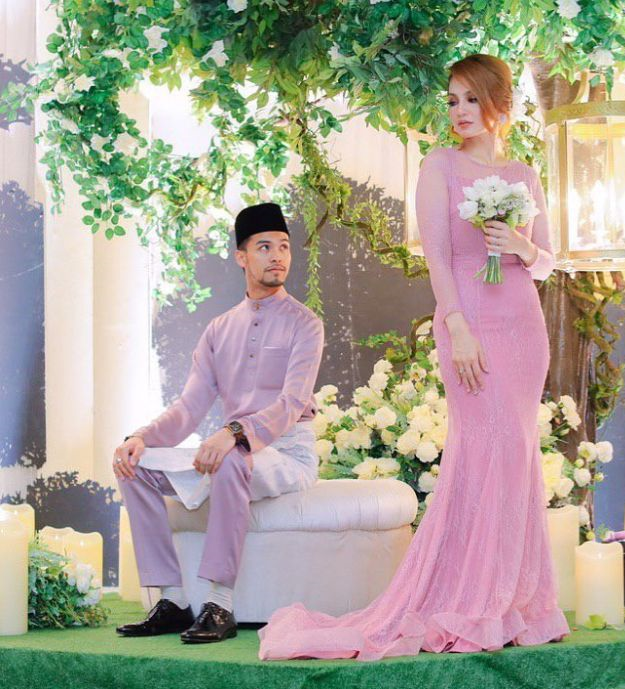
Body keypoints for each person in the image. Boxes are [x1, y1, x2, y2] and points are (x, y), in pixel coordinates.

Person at [257, 54, 569, 661]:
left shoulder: (523, 175)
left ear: (499, 103)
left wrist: (521, 244)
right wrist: (458, 327)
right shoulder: (439, 166)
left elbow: (547, 262)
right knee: (482, 450)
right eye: (452, 100)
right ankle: (470, 598)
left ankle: (512, 603)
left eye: (471, 99)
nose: (459, 111)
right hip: (469, 325)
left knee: (517, 454)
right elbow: (439, 260)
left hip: (523, 328)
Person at [113, 202, 325, 644]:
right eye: (264, 247)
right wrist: (139, 438)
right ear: (241, 257)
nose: (277, 256)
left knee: (231, 459)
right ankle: (172, 601)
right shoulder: (219, 329)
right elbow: (188, 408)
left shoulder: (306, 324)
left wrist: (234, 434)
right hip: (233, 448)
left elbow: (291, 403)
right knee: (135, 466)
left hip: (286, 451)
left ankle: (220, 604)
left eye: (284, 246)